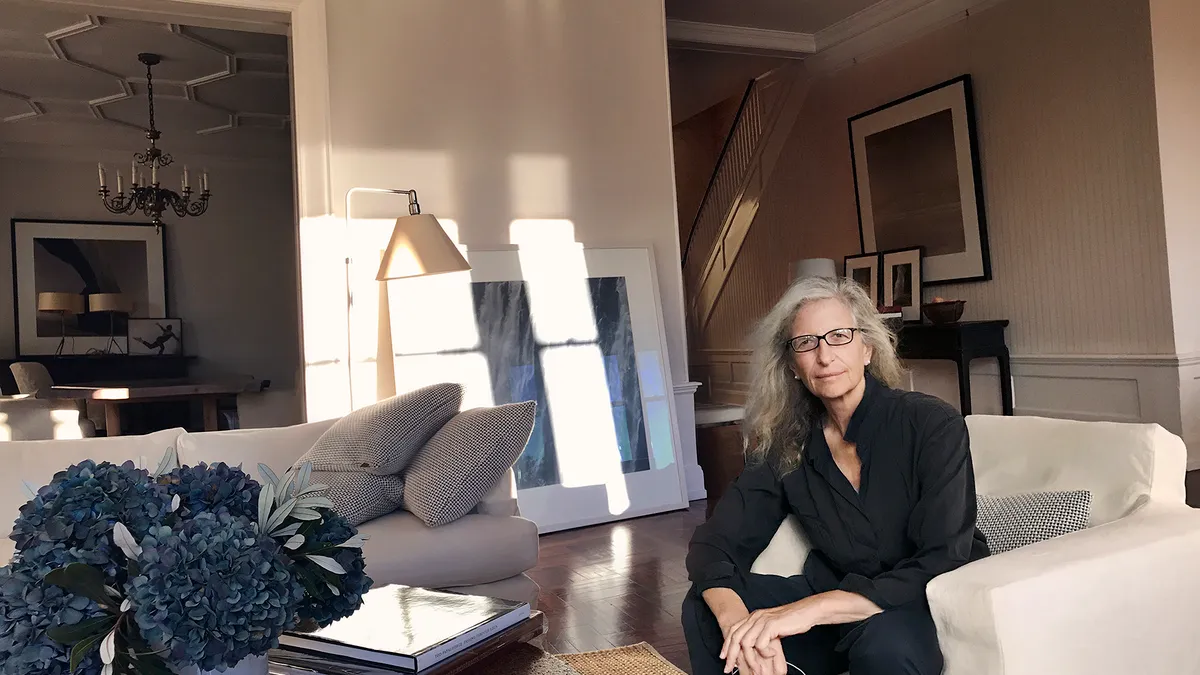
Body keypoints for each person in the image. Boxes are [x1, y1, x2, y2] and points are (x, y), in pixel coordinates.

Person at [682, 275, 989, 675]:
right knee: (704, 605)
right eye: (806, 343)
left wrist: (810, 611)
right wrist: (739, 626)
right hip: (834, 595)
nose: (825, 356)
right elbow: (714, 543)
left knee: (885, 647)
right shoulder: (787, 443)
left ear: (867, 348)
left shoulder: (931, 423)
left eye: (839, 336)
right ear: (792, 365)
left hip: (914, 601)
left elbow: (942, 559)